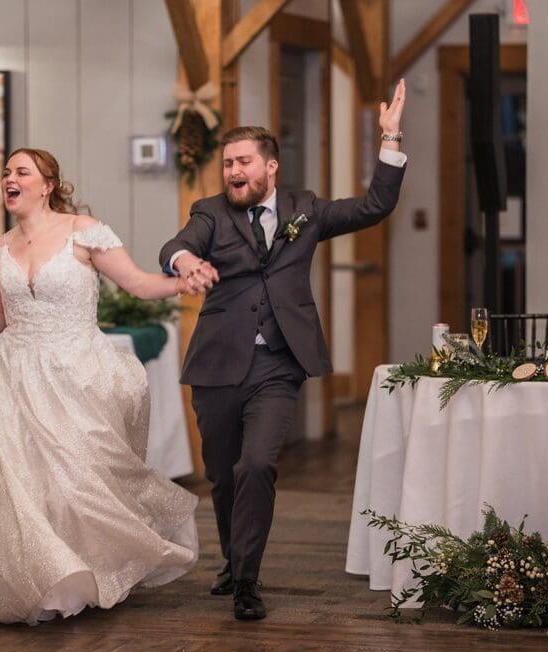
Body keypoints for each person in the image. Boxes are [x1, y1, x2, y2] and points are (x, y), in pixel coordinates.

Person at [159, 80, 408, 620]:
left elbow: (374, 205)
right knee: (224, 475)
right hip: (217, 363)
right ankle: (233, 561)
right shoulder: (210, 212)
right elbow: (176, 246)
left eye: (243, 162)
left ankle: (246, 581)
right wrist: (185, 262)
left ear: (270, 166)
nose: (233, 171)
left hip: (277, 363)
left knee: (256, 465)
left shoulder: (305, 209)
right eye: (227, 163)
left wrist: (390, 138)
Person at [0, 148, 205, 625]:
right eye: (6, 173)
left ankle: (95, 571)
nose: (10, 179)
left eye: (22, 172)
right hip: (15, 376)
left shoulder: (83, 232)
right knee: (25, 486)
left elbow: (139, 284)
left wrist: (181, 284)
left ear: (47, 185)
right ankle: (48, 582)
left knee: (80, 481)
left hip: (78, 370)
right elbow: (1, 318)